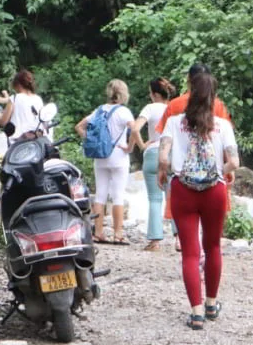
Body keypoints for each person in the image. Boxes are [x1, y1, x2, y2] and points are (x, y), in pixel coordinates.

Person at [158, 69, 239, 330]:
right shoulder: (222, 125)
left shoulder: (173, 122)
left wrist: (164, 172)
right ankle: (212, 304)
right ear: (212, 96)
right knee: (213, 246)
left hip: (183, 189)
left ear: (190, 92)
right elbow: (234, 162)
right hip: (214, 191)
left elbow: (163, 157)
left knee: (190, 253)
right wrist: (219, 172)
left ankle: (195, 312)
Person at [156, 63, 235, 248]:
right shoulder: (218, 105)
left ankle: (180, 239)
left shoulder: (175, 105)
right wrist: (228, 170)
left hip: (182, 174)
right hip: (213, 174)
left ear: (188, 80)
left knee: (185, 220)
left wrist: (162, 168)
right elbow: (226, 143)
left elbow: (163, 138)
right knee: (212, 243)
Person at [75, 79, 140, 245]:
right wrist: (130, 147)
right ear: (124, 93)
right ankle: (118, 234)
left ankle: (98, 233)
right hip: (118, 156)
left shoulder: (99, 110)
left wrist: (91, 140)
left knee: (100, 194)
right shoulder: (124, 111)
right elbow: (135, 129)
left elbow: (79, 127)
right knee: (118, 196)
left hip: (100, 157)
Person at [132, 77, 176, 251]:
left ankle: (155, 241)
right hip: (171, 155)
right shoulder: (174, 109)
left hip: (152, 154)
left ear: (155, 94)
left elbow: (135, 128)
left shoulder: (150, 108)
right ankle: (179, 240)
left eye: (150, 93)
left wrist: (143, 145)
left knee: (154, 199)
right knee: (174, 199)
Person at [0, 70, 44, 143]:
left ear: (18, 84)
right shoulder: (38, 99)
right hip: (35, 140)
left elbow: (3, 122)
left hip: (18, 141)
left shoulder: (15, 98)